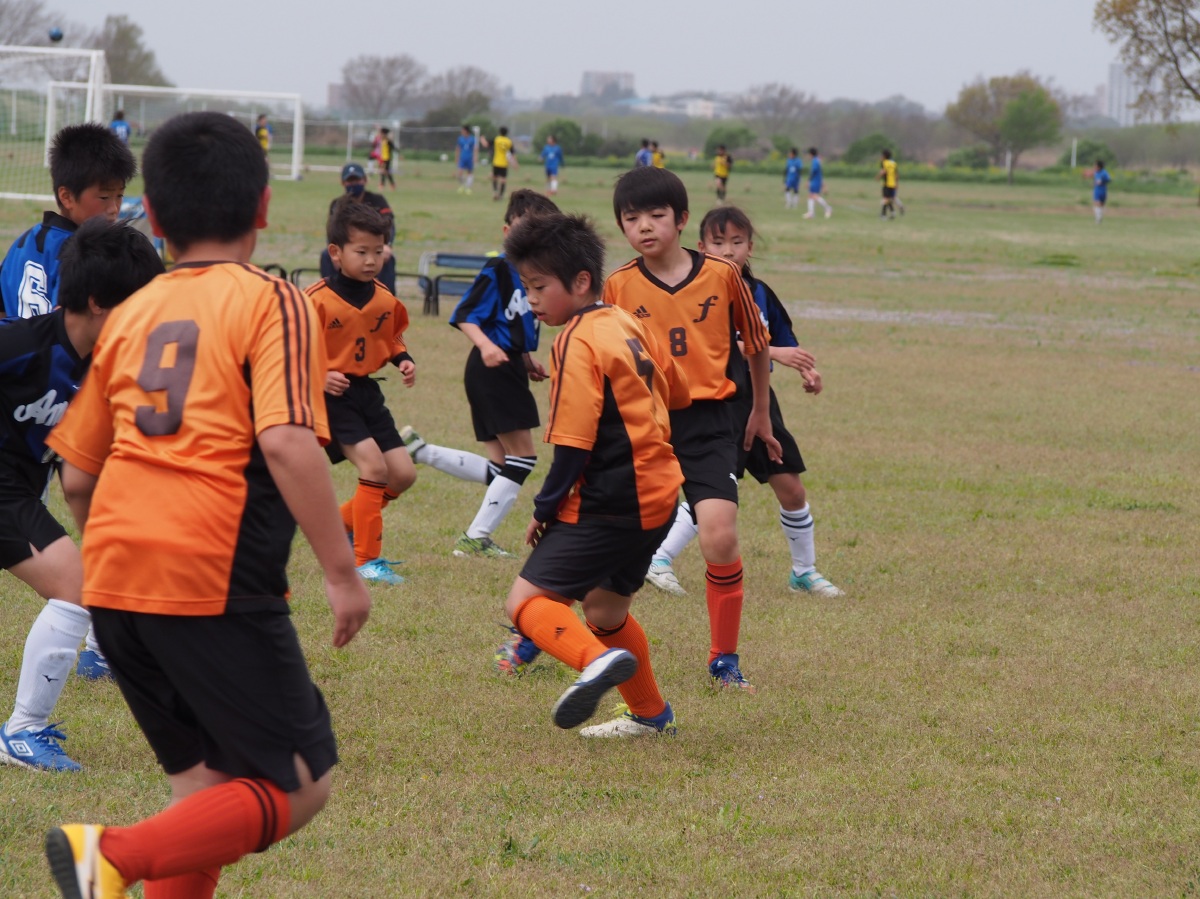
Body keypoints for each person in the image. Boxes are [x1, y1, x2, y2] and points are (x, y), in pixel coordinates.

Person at [42, 110, 371, 899]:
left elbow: (78, 476)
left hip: (114, 584)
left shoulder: (131, 313)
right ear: (264, 208)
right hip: (210, 575)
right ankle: (110, 854)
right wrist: (342, 571)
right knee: (299, 781)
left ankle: (122, 860)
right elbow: (286, 440)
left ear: (151, 216)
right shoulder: (274, 299)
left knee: (207, 791)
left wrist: (116, 557)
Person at [500, 210, 689, 737]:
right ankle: (651, 716)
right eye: (526, 287)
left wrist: (546, 508)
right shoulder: (627, 321)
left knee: (526, 601)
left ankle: (594, 662)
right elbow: (675, 390)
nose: (532, 299)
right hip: (659, 496)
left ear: (580, 282)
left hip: (611, 499)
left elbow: (572, 442)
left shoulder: (576, 340)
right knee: (606, 611)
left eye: (539, 287)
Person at [602, 166, 777, 692]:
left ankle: (724, 660)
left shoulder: (723, 276)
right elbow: (606, 361)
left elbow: (757, 345)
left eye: (657, 215)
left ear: (681, 220)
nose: (644, 226)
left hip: (709, 423)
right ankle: (536, 632)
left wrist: (760, 411)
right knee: (600, 536)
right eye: (631, 218)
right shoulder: (619, 285)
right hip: (643, 423)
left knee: (720, 533)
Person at [0, 219, 163, 774]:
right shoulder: (20, 347)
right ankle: (23, 731)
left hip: (20, 490)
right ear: (97, 303)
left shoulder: (111, 368)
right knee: (75, 585)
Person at [645, 207, 842, 600]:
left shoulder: (760, 293)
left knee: (791, 488)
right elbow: (714, 344)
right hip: (719, 403)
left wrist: (807, 370)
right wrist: (775, 352)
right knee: (713, 491)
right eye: (718, 243)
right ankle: (658, 558)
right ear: (701, 246)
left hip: (760, 401)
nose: (728, 251)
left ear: (750, 247)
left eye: (737, 242)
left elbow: (782, 341)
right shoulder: (700, 292)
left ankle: (804, 572)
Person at [402, 189, 558, 562]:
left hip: (505, 365)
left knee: (503, 467)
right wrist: (487, 346)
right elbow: (465, 315)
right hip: (491, 368)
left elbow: (513, 323)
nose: (531, 239)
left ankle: (422, 451)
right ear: (507, 231)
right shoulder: (499, 269)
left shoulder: (531, 276)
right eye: (525, 229)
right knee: (523, 459)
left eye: (541, 232)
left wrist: (526, 359)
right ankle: (476, 537)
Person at [306, 200, 416, 586]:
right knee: (374, 468)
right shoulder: (315, 299)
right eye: (362, 251)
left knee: (402, 474)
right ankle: (366, 560)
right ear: (336, 253)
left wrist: (403, 359)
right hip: (332, 398)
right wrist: (319, 375)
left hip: (368, 392)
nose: (372, 260)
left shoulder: (384, 298)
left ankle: (337, 525)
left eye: (378, 251)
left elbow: (391, 336)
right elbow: (289, 349)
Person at [0, 123, 135, 319]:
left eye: (120, 196)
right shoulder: (84, 253)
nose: (114, 208)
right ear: (67, 197)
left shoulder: (22, 242)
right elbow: (73, 326)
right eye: (104, 197)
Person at [321, 162, 396, 294]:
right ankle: (330, 293)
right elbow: (332, 232)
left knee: (386, 255)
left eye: (357, 180)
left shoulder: (377, 200)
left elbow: (389, 225)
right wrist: (337, 250)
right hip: (348, 245)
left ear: (365, 180)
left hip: (372, 244)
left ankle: (387, 294)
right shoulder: (337, 204)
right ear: (343, 183)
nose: (353, 184)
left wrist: (387, 245)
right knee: (326, 255)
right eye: (350, 181)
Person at [803, 147, 833, 219]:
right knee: (811, 196)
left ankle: (827, 208)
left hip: (815, 181)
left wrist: (808, 181)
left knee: (814, 196)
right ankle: (811, 213)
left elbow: (813, 172)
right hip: (816, 181)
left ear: (811, 154)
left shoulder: (815, 161)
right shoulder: (817, 160)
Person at [491, 126, 515, 202]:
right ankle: (501, 195)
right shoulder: (509, 141)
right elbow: (512, 153)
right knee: (503, 179)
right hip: (504, 163)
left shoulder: (496, 139)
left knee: (495, 178)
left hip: (496, 162)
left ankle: (495, 191)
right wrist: (514, 163)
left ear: (499, 132)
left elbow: (490, 146)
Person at [877, 149, 900, 219]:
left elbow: (883, 171)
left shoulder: (884, 162)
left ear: (884, 156)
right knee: (888, 199)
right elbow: (896, 175)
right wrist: (896, 183)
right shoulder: (893, 163)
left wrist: (878, 177)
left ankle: (883, 215)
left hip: (886, 184)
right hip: (893, 184)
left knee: (885, 199)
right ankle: (892, 212)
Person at [456, 125, 477, 194]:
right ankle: (462, 186)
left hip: (469, 158)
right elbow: (458, 148)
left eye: (463, 130)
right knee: (460, 172)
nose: (461, 131)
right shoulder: (460, 139)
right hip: (462, 158)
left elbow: (475, 149)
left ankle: (468, 188)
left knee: (469, 172)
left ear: (466, 131)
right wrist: (457, 157)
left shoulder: (472, 139)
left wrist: (475, 157)